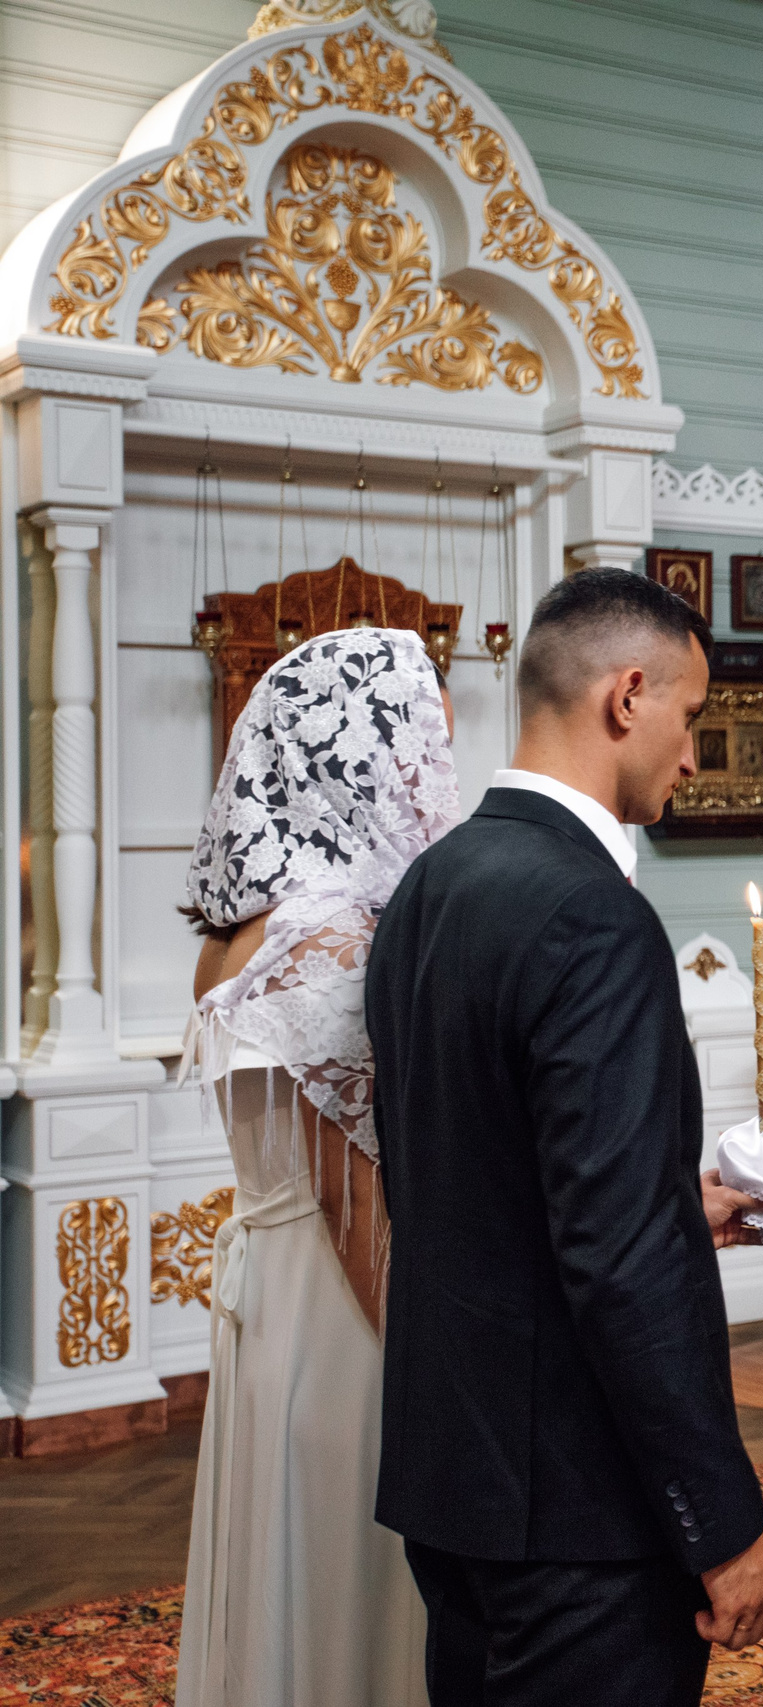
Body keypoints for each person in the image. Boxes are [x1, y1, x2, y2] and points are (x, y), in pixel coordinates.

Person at [367, 570, 763, 1707]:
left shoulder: (430, 886)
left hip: (454, 1472)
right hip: (577, 1509)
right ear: (628, 696)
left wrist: (661, 1195)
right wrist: (722, 1519)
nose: (692, 757)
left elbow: (456, 1168)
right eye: (693, 718)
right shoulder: (593, 915)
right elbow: (620, 1268)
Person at [174, 628, 461, 1707]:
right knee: (359, 1598)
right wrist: (443, 1368)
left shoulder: (234, 935)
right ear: (362, 756)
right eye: (423, 737)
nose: (435, 766)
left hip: (267, 1305)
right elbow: (357, 1207)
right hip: (347, 1323)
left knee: (280, 1580)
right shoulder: (332, 940)